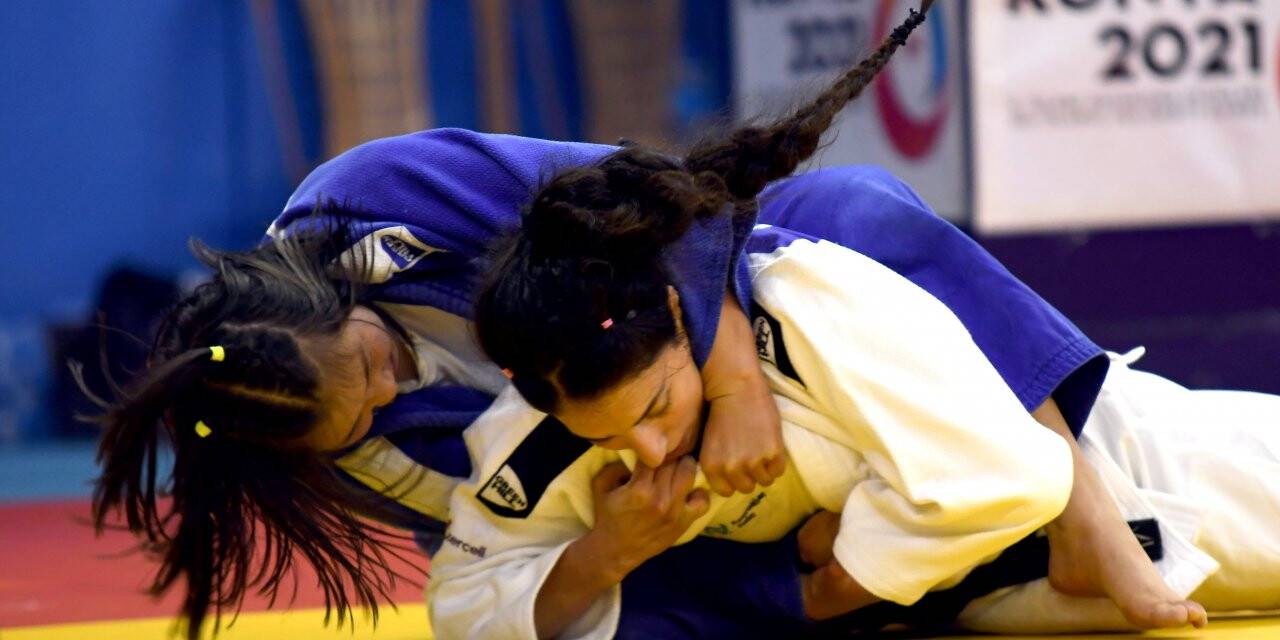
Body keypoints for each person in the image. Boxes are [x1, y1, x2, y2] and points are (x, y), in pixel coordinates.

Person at [435, 5, 1280, 639]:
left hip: (1142, 473)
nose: (649, 452)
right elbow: (464, 606)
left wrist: (836, 578)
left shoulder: (801, 300)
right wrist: (602, 556)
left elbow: (1013, 475)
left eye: (656, 409)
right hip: (982, 602)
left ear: (676, 313)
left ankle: (1089, 525)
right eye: (611, 438)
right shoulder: (546, 428)